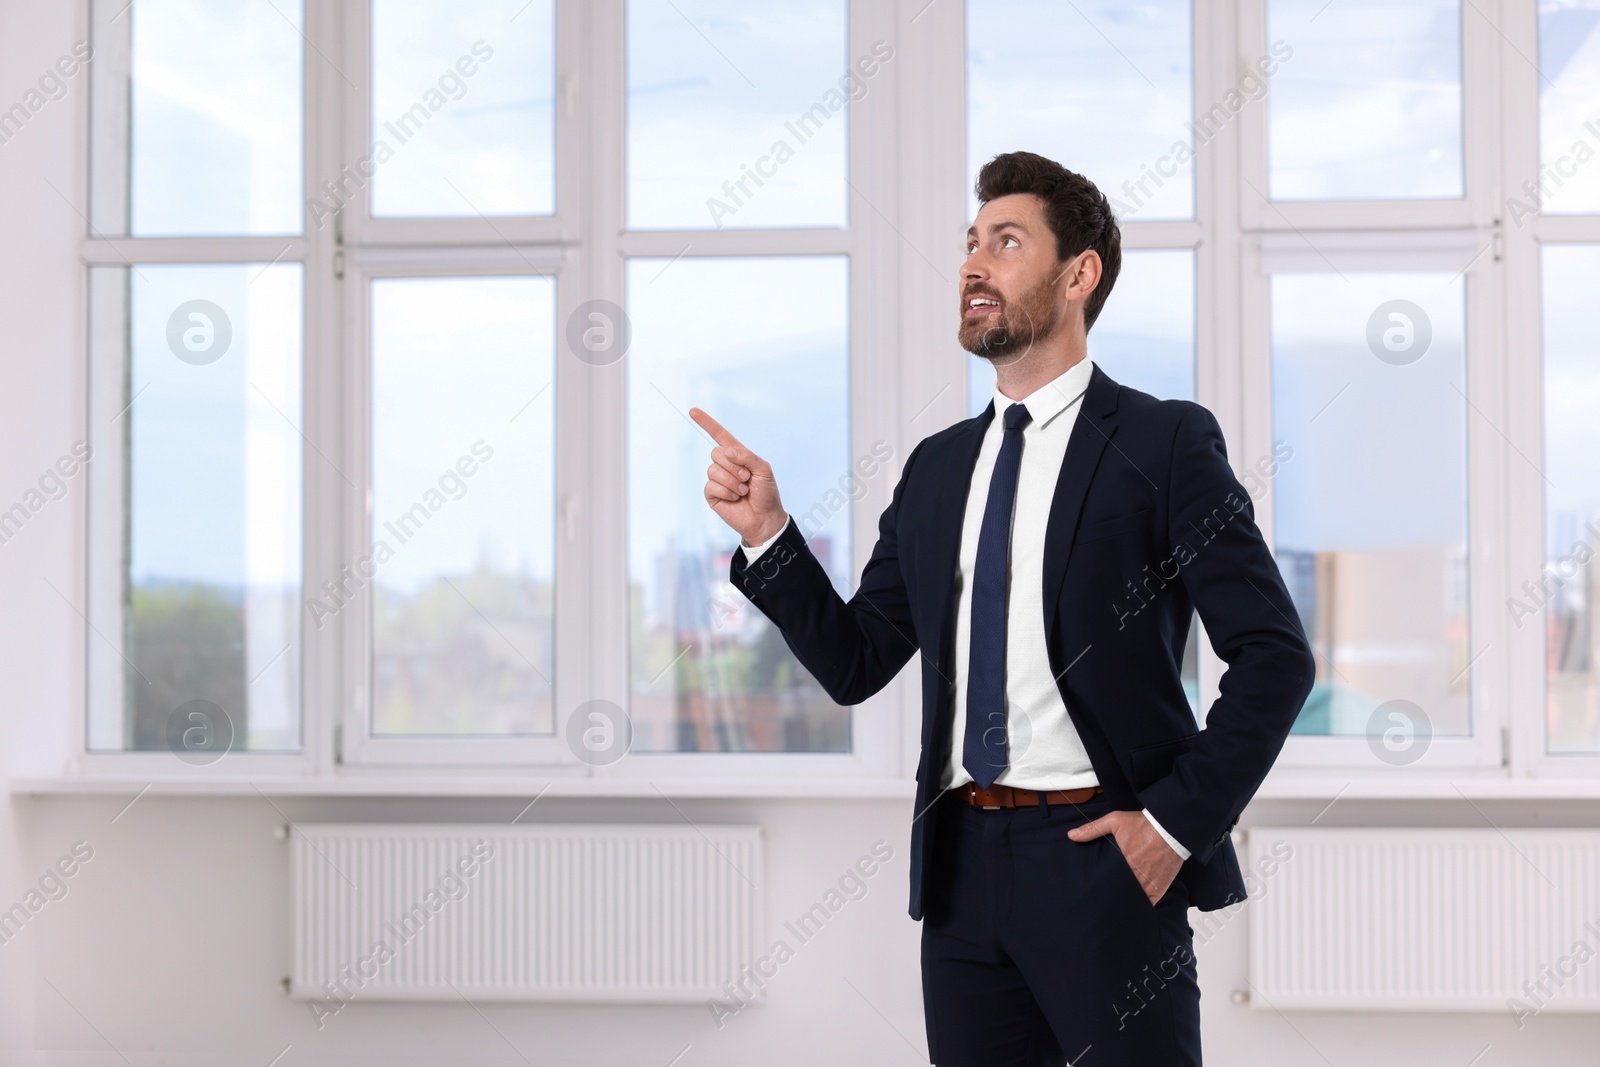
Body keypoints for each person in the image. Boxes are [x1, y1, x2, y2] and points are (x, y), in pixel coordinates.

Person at [689, 150, 1314, 1066]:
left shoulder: (1164, 441)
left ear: (1078, 275)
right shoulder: (939, 467)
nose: (973, 264)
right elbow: (859, 660)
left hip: (1104, 858)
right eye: (970, 243)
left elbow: (1274, 655)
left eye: (1006, 242)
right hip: (962, 873)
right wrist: (770, 534)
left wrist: (1172, 826)